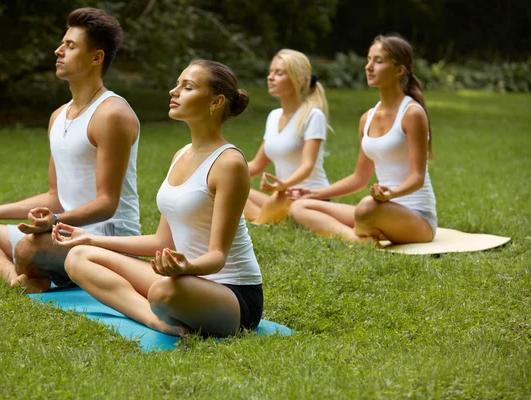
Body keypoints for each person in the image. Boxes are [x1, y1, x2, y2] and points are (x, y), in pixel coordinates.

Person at [0, 8, 141, 293]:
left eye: (70, 46)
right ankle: (18, 279)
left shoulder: (112, 114)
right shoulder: (58, 116)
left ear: (96, 57)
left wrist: (54, 222)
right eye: (61, 44)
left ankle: (36, 267)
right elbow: (55, 196)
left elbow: (107, 203)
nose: (58, 51)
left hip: (104, 240)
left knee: (30, 248)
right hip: (60, 232)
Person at [52, 60, 263, 337]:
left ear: (216, 102)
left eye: (187, 87)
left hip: (232, 295)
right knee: (78, 257)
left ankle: (164, 308)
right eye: (177, 84)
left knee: (163, 291)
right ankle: (155, 321)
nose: (173, 92)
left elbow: (217, 257)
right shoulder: (181, 155)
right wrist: (89, 238)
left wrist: (185, 267)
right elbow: (161, 242)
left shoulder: (230, 163)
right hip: (184, 280)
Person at [288, 34, 437, 244]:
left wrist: (390, 194)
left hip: (417, 218)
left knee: (366, 207)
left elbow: (417, 177)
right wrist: (313, 193)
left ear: (399, 70)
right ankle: (358, 239)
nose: (369, 67)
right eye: (368, 59)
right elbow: (359, 178)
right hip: (380, 207)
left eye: (378, 61)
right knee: (300, 206)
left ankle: (366, 229)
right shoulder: (366, 118)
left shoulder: (412, 114)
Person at [243, 49, 332, 225]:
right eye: (270, 72)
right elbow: (257, 165)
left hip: (309, 197)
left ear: (298, 80)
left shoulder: (313, 115)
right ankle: (268, 217)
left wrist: (282, 185)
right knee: (231, 191)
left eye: (279, 73)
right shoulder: (274, 116)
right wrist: (218, 172)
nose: (270, 77)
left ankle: (263, 220)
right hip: (282, 194)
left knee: (272, 203)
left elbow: (307, 166)